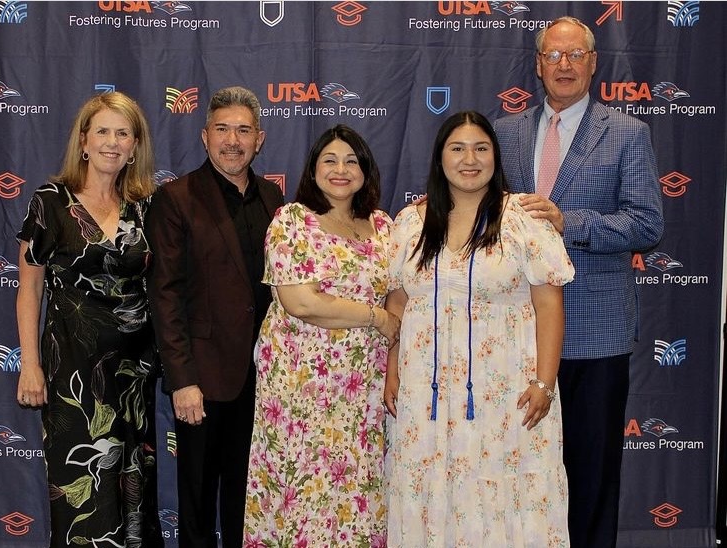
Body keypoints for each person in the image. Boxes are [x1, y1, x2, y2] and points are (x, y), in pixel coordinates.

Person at [494, 16, 664, 548]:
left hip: (595, 332)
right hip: (513, 331)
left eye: (575, 56)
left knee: (590, 475)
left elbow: (648, 224)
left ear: (593, 63)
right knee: (515, 473)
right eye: (553, 55)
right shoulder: (504, 133)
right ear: (538, 65)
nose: (563, 65)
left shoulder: (628, 133)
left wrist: (570, 221)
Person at [383, 111, 574, 547]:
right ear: (440, 158)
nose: (470, 159)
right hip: (425, 395)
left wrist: (544, 382)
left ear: (495, 156)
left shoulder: (523, 219)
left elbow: (549, 304)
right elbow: (399, 302)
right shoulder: (411, 224)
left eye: (481, 148)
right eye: (457, 148)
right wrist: (393, 367)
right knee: (429, 490)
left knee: (509, 492)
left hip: (506, 390)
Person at [15, 91, 163, 547]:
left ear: (135, 146)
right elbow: (29, 288)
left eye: (123, 133)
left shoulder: (146, 206)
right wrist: (30, 363)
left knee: (133, 488)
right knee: (81, 487)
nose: (112, 143)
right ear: (83, 140)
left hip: (134, 374)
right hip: (72, 373)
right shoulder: (50, 201)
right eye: (102, 131)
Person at [242, 124, 400, 548]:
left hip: (363, 389)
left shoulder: (385, 227)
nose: (341, 169)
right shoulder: (292, 220)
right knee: (302, 492)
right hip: (301, 387)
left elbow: (404, 287)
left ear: (366, 170)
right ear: (313, 170)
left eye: (352, 160)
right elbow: (301, 303)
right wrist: (375, 317)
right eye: (329, 160)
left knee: (356, 494)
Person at [146, 86, 284, 548]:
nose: (233, 140)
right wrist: (182, 380)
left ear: (259, 140)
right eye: (222, 129)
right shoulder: (176, 198)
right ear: (205, 136)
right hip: (202, 380)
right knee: (199, 504)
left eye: (243, 130)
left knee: (251, 500)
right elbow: (165, 295)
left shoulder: (273, 198)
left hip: (263, 379)